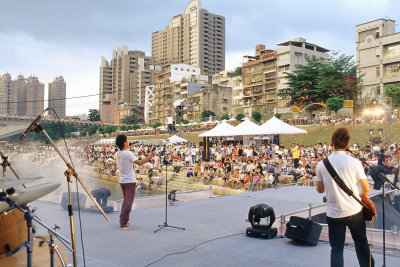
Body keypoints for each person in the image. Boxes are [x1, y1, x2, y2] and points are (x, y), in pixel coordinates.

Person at [316, 128, 374, 267]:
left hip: (333, 213)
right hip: (354, 211)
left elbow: (320, 190)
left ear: (332, 143)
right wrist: (359, 198)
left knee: (336, 249)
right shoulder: (354, 162)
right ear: (347, 145)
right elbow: (365, 188)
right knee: (361, 244)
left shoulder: (321, 164)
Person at [115, 135, 157, 230]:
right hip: (130, 180)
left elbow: (125, 154)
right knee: (129, 202)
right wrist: (151, 155)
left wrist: (128, 148)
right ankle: (123, 222)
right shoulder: (128, 154)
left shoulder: (118, 153)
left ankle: (123, 219)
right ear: (125, 143)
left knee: (126, 201)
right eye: (127, 140)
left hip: (123, 180)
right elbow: (140, 162)